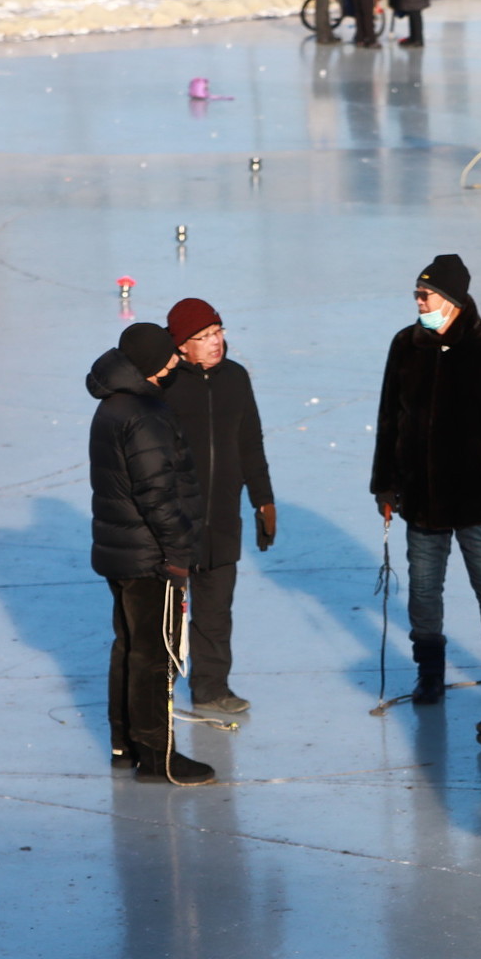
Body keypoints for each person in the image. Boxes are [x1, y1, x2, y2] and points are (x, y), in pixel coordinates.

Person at [370, 255, 481, 707]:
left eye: (426, 295)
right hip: (420, 500)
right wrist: (385, 486)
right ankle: (430, 675)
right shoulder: (405, 345)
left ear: (452, 299)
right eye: (417, 295)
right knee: (423, 592)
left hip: (478, 502)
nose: (419, 302)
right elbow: (389, 420)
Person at [87, 323, 214, 786]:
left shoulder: (113, 404)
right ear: (152, 364)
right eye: (169, 356)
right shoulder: (145, 414)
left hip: (121, 551)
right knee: (154, 656)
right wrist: (178, 552)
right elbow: (157, 492)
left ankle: (125, 745)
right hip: (150, 556)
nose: (176, 361)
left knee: (129, 647)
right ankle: (158, 757)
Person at [161, 297, 276, 716]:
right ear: (181, 345)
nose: (217, 342)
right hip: (175, 521)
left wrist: (263, 500)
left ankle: (211, 687)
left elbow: (250, 442)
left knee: (215, 611)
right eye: (205, 336)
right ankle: (155, 688)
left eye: (219, 332)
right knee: (165, 613)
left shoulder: (235, 378)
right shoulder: (166, 384)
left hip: (223, 517)